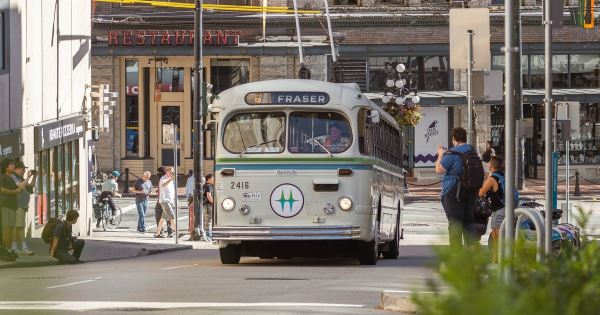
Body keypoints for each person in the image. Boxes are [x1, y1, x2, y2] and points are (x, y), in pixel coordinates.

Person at [435, 127, 478, 248]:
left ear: (454, 139)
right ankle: (473, 251)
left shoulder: (452, 153)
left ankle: (456, 255)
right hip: (471, 189)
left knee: (454, 224)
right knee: (469, 221)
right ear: (465, 137)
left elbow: (439, 170)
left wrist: (440, 155)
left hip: (454, 191)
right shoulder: (472, 150)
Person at [479, 156, 506, 263]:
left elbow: (481, 193)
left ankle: (498, 258)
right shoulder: (503, 175)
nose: (487, 165)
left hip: (499, 209)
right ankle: (496, 258)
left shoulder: (492, 178)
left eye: (489, 163)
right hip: (505, 206)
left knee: (497, 235)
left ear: (492, 165)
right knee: (497, 233)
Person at [11, 161, 36, 255]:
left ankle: (15, 246)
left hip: (23, 206)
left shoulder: (21, 178)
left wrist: (34, 176)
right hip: (18, 205)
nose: (24, 171)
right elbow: (21, 187)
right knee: (19, 226)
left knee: (19, 226)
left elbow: (30, 187)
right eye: (22, 169)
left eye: (25, 170)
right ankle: (20, 246)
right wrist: (28, 177)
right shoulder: (13, 177)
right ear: (16, 169)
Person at [1, 159, 21, 253]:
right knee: (7, 228)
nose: (13, 166)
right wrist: (14, 192)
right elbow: (2, 190)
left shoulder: (12, 177)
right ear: (6, 167)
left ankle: (8, 249)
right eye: (11, 164)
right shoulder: (3, 177)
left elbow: (20, 187)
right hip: (6, 205)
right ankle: (6, 250)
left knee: (11, 228)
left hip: (13, 205)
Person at [155, 167, 176, 238]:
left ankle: (157, 233)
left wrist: (176, 200)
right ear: (167, 172)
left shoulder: (171, 180)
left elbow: (172, 191)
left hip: (169, 201)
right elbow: (163, 185)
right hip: (165, 200)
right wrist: (171, 179)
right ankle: (177, 232)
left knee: (162, 218)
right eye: (171, 172)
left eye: (173, 173)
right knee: (172, 216)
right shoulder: (163, 178)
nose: (172, 174)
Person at [203, 174, 215, 238]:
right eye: (213, 178)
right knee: (209, 220)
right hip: (208, 205)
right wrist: (214, 203)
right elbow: (209, 196)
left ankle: (206, 233)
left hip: (205, 205)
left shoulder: (204, 185)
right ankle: (208, 235)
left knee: (205, 219)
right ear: (209, 179)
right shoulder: (209, 186)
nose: (213, 179)